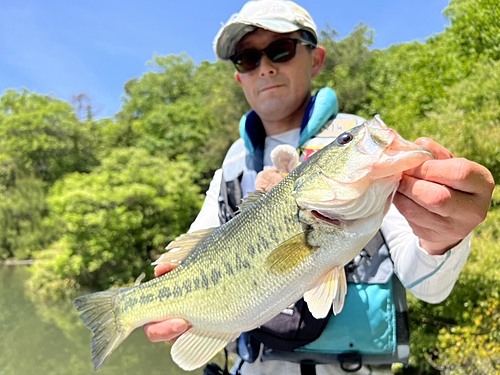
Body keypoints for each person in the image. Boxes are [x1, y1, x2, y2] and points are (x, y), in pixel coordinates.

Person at [144, 1, 495, 374]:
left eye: (281, 49)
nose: (265, 67)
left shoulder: (360, 144)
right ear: (239, 78)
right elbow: (189, 258)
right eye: (247, 58)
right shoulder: (230, 167)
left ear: (315, 59)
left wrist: (443, 238)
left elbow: (429, 286)